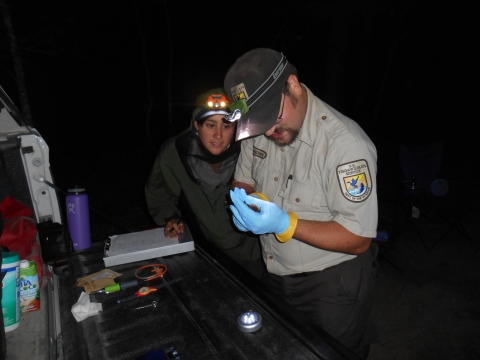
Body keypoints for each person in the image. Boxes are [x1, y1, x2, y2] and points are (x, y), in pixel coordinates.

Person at [224, 48, 379, 359]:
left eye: (273, 117)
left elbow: (359, 238)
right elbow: (243, 180)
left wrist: (285, 223)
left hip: (331, 284)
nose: (268, 131)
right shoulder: (260, 125)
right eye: (259, 122)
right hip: (273, 269)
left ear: (292, 85)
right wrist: (249, 203)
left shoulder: (345, 144)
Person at [145, 88, 265, 280]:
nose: (218, 135)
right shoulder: (174, 153)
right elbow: (158, 194)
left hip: (254, 253)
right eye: (210, 125)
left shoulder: (251, 150)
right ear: (196, 125)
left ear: (236, 127)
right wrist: (170, 218)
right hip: (206, 253)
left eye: (226, 126)